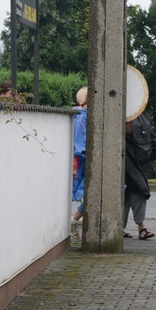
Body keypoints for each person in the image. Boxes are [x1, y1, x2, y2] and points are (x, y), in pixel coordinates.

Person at [123, 112, 156, 240]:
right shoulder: (122, 112)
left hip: (140, 160)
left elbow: (151, 134)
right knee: (139, 189)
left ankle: (127, 228)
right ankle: (141, 227)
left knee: (130, 193)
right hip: (127, 159)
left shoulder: (144, 116)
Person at [71, 87, 88, 231]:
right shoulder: (82, 116)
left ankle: (74, 220)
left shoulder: (79, 114)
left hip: (82, 160)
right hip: (83, 160)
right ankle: (73, 220)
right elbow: (79, 143)